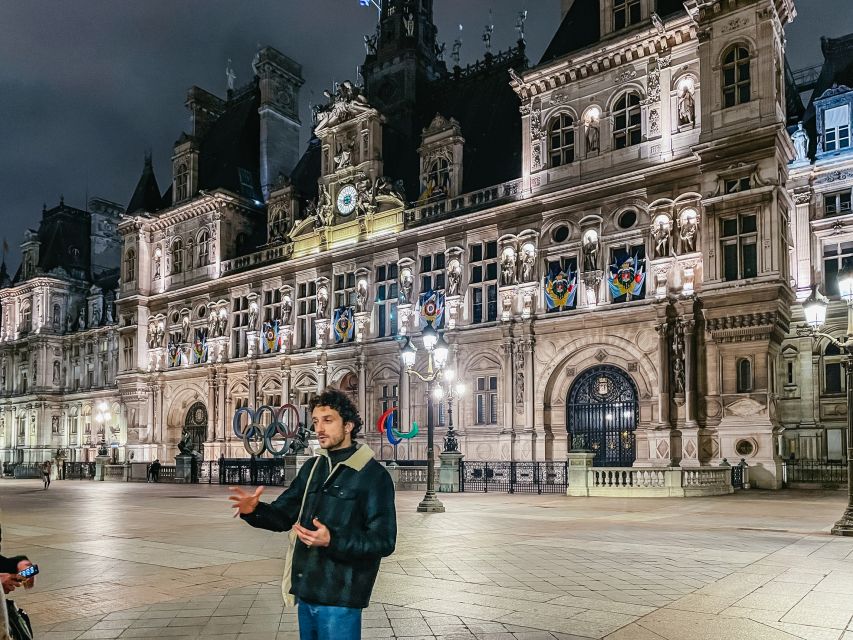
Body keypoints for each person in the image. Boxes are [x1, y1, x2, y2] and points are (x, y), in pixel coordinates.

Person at [229, 389, 396, 640]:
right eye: (316, 421)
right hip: (307, 589)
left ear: (348, 425)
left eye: (328, 420)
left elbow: (384, 541)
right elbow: (283, 515)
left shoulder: (373, 476)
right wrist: (254, 511)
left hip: (341, 596)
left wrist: (333, 539)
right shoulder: (312, 467)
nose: (319, 428)